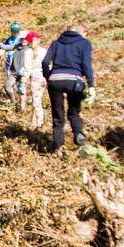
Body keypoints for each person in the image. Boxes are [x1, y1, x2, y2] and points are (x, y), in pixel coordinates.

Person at [42, 24, 95, 152]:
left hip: (55, 80)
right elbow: (86, 64)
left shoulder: (56, 43)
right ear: (80, 32)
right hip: (74, 80)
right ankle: (79, 135)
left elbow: (45, 62)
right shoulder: (84, 43)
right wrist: (91, 85)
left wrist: (48, 76)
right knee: (74, 112)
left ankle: (58, 145)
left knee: (57, 114)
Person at [21, 31, 48, 128]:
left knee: (36, 101)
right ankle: (34, 122)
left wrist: (23, 81)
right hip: (44, 77)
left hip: (35, 78)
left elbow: (27, 69)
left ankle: (39, 122)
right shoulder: (44, 51)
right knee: (37, 99)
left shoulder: (28, 52)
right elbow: (48, 64)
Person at [0, 22, 22, 104]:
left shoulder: (21, 40)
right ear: (11, 30)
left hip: (18, 63)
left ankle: (18, 99)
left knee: (17, 82)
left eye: (17, 30)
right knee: (10, 81)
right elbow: (5, 48)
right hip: (9, 63)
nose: (15, 32)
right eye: (14, 30)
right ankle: (13, 99)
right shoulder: (9, 40)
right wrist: (1, 50)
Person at [10, 31, 30, 111]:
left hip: (26, 73)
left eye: (25, 39)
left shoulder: (29, 49)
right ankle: (19, 107)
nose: (23, 40)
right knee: (18, 89)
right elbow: (8, 47)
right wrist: (1, 46)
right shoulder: (17, 47)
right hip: (16, 72)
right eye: (22, 39)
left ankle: (23, 109)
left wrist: (26, 74)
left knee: (23, 91)